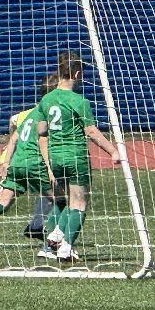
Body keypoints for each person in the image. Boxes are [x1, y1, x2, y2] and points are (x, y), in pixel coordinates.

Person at [38, 55, 120, 263]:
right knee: (79, 203)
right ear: (76, 73)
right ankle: (66, 249)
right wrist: (113, 151)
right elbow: (91, 131)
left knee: (68, 201)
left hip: (55, 157)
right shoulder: (79, 101)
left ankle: (54, 238)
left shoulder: (46, 99)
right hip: (75, 155)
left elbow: (42, 131)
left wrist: (48, 163)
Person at [0, 73, 58, 256]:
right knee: (62, 200)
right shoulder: (52, 113)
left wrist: (7, 162)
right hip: (34, 163)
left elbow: (14, 136)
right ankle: (51, 245)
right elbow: (44, 141)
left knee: (3, 202)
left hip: (17, 162)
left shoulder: (31, 112)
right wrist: (49, 166)